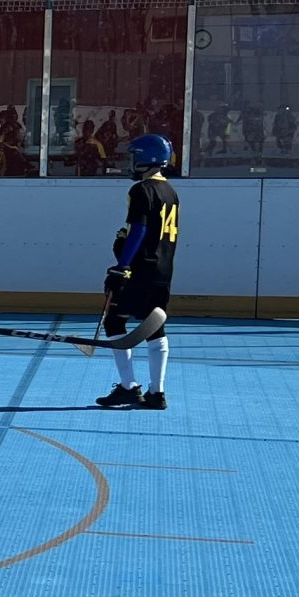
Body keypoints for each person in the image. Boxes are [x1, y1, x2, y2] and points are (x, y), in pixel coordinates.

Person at [97, 134, 181, 411]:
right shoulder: (170, 192)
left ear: (147, 158)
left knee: (114, 321)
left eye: (134, 157)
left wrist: (122, 266)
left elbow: (139, 230)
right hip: (163, 270)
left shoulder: (141, 190)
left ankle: (128, 386)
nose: (131, 162)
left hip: (141, 269)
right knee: (155, 326)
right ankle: (157, 392)